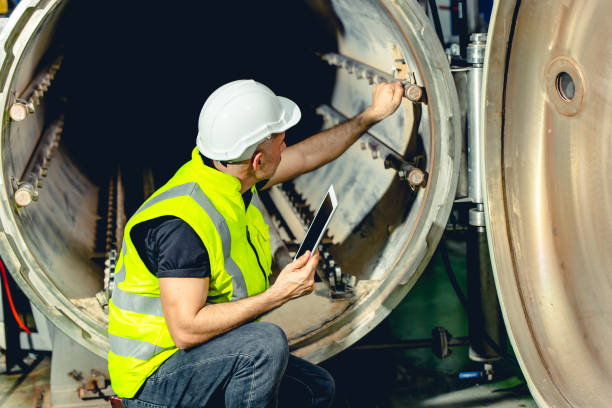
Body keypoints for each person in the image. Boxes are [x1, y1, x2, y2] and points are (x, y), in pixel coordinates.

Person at [108, 79, 404, 407]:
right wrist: (279, 294)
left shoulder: (228, 180)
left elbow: (307, 155)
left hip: (195, 358)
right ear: (257, 161)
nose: (286, 145)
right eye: (280, 140)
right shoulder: (182, 224)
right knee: (262, 345)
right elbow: (187, 330)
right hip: (153, 382)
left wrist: (371, 116)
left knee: (315, 388)